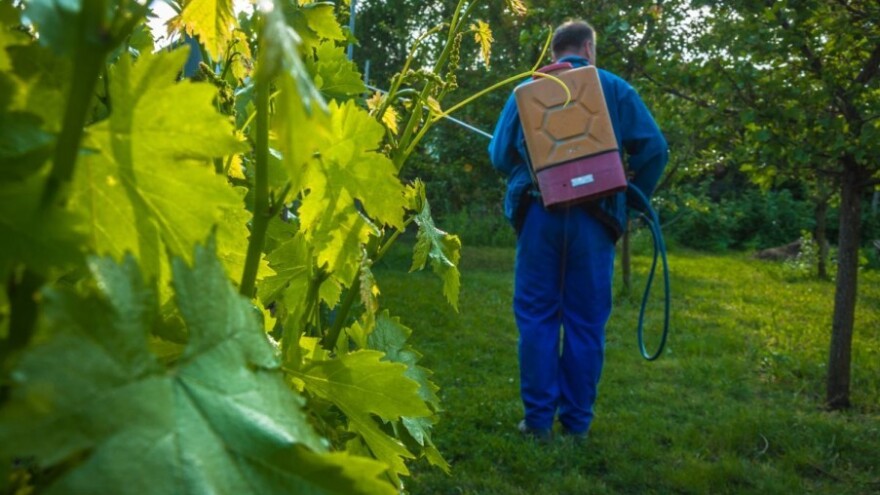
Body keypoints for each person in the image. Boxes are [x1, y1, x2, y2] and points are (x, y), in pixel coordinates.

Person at [488, 20, 668, 440]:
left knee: (536, 317)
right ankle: (576, 425)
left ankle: (537, 423)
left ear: (555, 53)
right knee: (586, 322)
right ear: (589, 48)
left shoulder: (526, 91)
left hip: (540, 214)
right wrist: (633, 195)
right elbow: (655, 148)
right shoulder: (614, 87)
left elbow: (499, 155)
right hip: (596, 219)